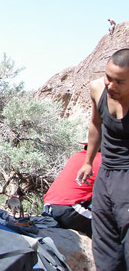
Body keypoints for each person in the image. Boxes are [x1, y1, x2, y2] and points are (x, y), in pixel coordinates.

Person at [76, 48, 129, 271]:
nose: (111, 85)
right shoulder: (98, 89)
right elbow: (96, 123)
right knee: (105, 244)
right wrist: (88, 161)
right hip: (106, 173)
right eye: (109, 77)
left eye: (120, 81)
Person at [43, 141, 102, 237]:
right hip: (69, 210)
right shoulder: (102, 160)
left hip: (49, 207)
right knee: (113, 226)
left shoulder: (76, 156)